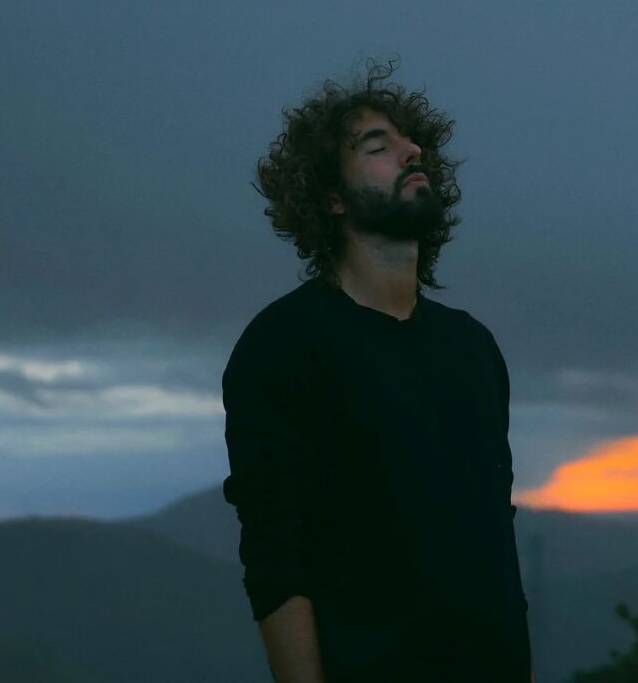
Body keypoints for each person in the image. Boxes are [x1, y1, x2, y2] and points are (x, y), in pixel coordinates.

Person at [222, 59, 535, 683]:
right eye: (377, 145)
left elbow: (496, 544)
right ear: (332, 198)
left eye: (410, 142)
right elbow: (276, 558)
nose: (410, 151)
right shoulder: (283, 345)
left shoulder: (472, 347)